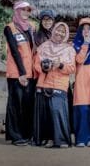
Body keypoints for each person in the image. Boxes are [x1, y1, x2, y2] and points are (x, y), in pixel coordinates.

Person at [34, 22, 76, 148]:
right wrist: (44, 67)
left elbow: (72, 68)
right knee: (46, 113)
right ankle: (48, 139)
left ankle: (62, 140)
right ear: (54, 31)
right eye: (58, 30)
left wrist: (61, 65)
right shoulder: (43, 46)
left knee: (57, 110)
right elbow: (35, 64)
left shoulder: (69, 49)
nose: (60, 33)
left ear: (66, 34)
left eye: (63, 31)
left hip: (59, 84)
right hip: (44, 82)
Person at [4, 1, 36, 146]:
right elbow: (15, 52)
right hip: (16, 73)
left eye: (28, 10)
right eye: (23, 10)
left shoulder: (31, 28)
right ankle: (15, 136)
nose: (26, 12)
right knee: (15, 104)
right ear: (17, 11)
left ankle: (26, 134)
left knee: (28, 104)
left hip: (30, 73)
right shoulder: (9, 28)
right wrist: (22, 73)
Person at [73, 17, 90, 147]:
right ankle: (80, 138)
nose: (86, 31)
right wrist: (85, 44)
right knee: (81, 109)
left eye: (89, 29)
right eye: (83, 29)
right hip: (80, 80)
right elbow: (78, 60)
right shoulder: (76, 44)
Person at [33, 9, 56, 146]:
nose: (47, 22)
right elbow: (35, 58)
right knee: (43, 109)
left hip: (56, 77)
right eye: (45, 20)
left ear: (53, 21)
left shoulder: (57, 35)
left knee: (54, 108)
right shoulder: (37, 37)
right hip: (41, 76)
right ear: (41, 21)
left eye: (50, 19)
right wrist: (41, 69)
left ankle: (52, 136)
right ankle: (41, 136)